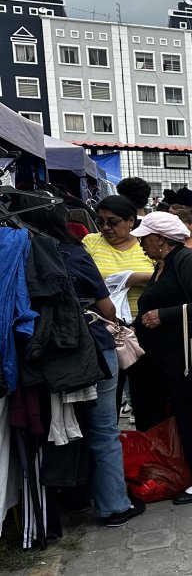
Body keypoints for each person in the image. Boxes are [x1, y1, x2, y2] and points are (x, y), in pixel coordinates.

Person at [12, 193, 145, 527]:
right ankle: (114, 505)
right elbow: (107, 308)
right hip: (91, 347)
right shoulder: (74, 253)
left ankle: (71, 498)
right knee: (102, 429)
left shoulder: (18, 254)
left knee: (60, 427)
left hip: (40, 352)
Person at [129, 212, 192, 504]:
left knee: (189, 414)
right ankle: (172, 470)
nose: (141, 243)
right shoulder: (164, 263)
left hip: (183, 356)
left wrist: (163, 315)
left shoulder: (186, 259)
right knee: (165, 413)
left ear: (160, 238)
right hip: (162, 356)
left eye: (145, 238)